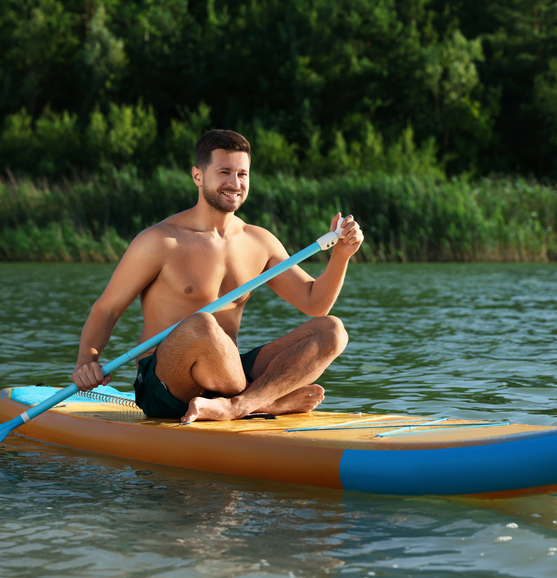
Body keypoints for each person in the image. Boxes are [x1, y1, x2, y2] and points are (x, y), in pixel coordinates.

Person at [71, 129, 364, 422]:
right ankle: (266, 401)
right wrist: (87, 360)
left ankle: (241, 405)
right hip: (166, 384)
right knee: (201, 324)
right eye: (224, 172)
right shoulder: (160, 240)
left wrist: (340, 256)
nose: (235, 184)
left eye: (242, 174)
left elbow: (315, 303)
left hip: (228, 375)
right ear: (198, 176)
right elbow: (108, 308)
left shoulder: (259, 241)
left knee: (332, 330)